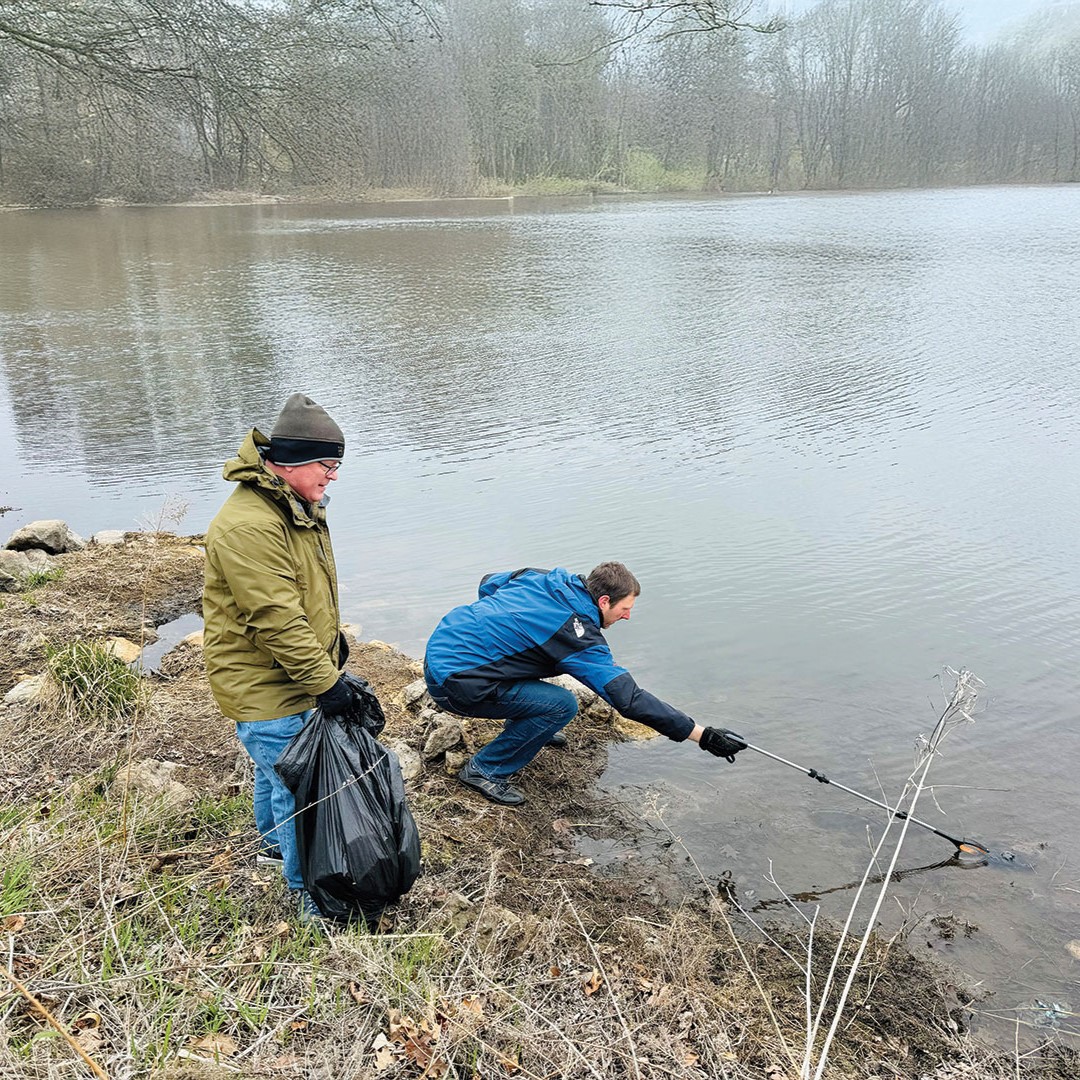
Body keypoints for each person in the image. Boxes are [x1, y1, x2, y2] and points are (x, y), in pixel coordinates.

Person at [203, 393, 358, 921]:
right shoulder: (251, 524)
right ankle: (308, 895)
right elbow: (276, 619)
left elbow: (305, 597)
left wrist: (334, 650)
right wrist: (327, 683)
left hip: (286, 673)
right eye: (328, 465)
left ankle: (271, 843)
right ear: (290, 461)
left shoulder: (291, 506)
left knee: (277, 768)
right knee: (300, 784)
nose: (334, 477)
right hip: (264, 681)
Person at [423, 562, 746, 806]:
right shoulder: (577, 636)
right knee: (562, 705)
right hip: (455, 683)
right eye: (625, 609)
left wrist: (497, 626)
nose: (628, 617)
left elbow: (489, 583)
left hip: (441, 652)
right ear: (604, 601)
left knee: (530, 654)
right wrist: (700, 735)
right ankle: (485, 770)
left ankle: (524, 726)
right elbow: (628, 699)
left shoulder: (543, 579)